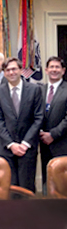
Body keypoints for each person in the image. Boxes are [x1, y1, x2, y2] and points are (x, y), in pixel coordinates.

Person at [0, 57, 43, 192]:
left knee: (26, 188)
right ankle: (11, 213)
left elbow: (38, 118)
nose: (11, 72)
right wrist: (11, 144)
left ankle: (28, 214)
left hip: (27, 148)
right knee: (8, 188)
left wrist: (25, 143)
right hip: (6, 148)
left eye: (14, 69)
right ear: (4, 73)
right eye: (7, 70)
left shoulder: (34, 89)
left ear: (21, 70)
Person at [40, 56, 67, 192]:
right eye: (51, 67)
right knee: (47, 181)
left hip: (62, 144)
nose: (54, 70)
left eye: (57, 67)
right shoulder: (40, 90)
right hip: (44, 145)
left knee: (62, 183)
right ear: (46, 70)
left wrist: (53, 134)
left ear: (63, 71)